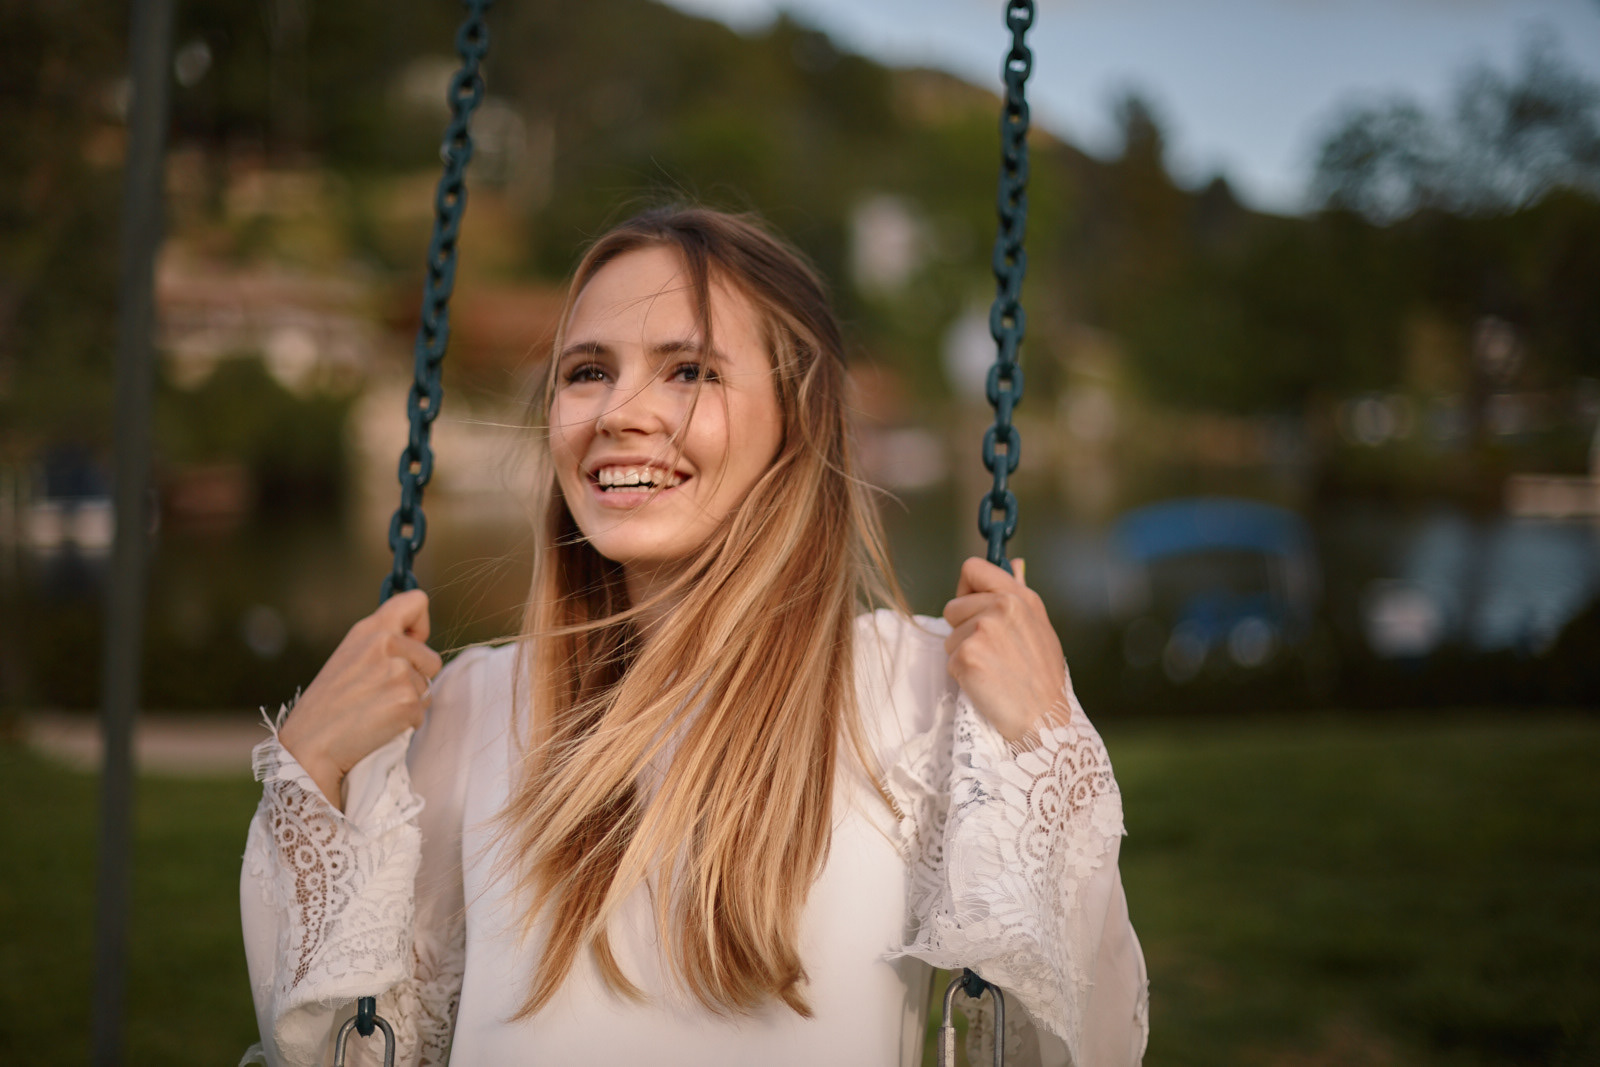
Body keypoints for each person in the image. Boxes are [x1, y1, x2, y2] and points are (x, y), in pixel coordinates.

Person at [240, 207, 1148, 1067]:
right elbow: (348, 1048)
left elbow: (1077, 1036)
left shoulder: (918, 691)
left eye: (689, 371)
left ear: (796, 421)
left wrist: (1040, 743)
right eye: (587, 370)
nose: (617, 413)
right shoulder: (473, 706)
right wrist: (313, 765)